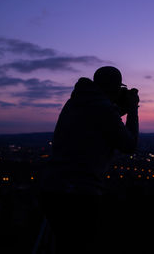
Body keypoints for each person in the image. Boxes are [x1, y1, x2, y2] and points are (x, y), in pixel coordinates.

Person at [39, 66, 139, 253]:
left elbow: (98, 122)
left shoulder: (75, 103)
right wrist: (132, 110)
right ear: (114, 88)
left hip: (52, 188)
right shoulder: (102, 109)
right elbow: (129, 145)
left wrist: (117, 109)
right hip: (79, 194)